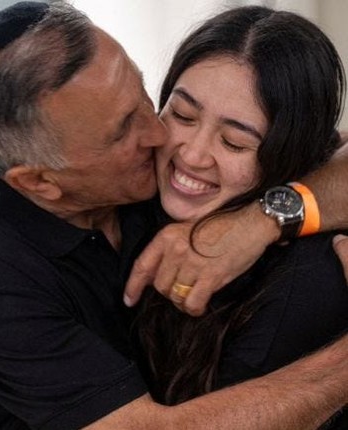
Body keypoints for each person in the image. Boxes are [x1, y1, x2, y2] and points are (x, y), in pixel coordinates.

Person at [0, 3, 348, 429]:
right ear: (40, 183)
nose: (161, 135)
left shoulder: (147, 179)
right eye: (180, 114)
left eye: (146, 97)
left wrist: (257, 221)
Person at [131, 9, 348, 427]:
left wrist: (259, 221)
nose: (191, 155)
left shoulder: (302, 284)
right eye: (182, 115)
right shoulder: (134, 198)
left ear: (289, 154)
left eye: (234, 142)